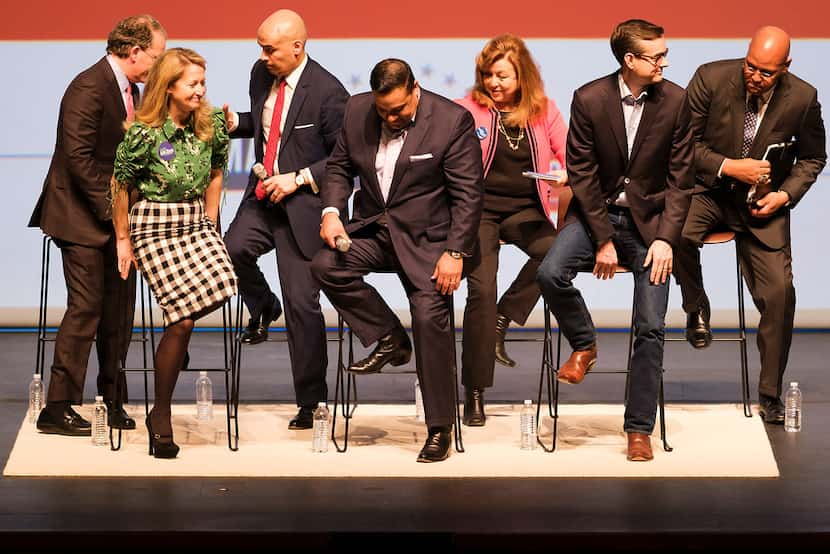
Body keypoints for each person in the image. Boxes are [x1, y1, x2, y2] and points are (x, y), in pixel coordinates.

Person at [536, 19, 694, 461]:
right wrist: (603, 238)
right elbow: (582, 175)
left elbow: (682, 181)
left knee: (650, 325)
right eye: (655, 55)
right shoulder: (589, 98)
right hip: (596, 215)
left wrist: (666, 239)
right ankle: (585, 343)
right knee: (549, 272)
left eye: (664, 53)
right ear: (629, 60)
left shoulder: (678, 101)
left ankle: (638, 428)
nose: (664, 61)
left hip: (652, 226)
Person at [311, 59, 483, 463]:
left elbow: (468, 196)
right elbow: (337, 167)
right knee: (326, 266)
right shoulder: (356, 111)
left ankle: (439, 428)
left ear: (415, 90)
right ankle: (390, 337)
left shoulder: (451, 121)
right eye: (383, 109)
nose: (389, 117)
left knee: (429, 318)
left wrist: (455, 252)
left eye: (398, 110)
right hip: (375, 230)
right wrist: (332, 212)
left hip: (430, 242)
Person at [673, 26, 826, 424]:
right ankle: (696, 306)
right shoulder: (710, 77)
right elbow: (682, 144)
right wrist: (729, 167)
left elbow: (813, 158)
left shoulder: (803, 98)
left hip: (763, 206)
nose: (755, 76)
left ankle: (770, 393)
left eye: (766, 72)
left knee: (780, 294)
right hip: (708, 192)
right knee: (674, 233)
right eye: (751, 66)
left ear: (786, 68)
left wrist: (785, 195)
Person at [28, 15, 166, 436]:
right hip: (80, 217)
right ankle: (58, 405)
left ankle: (112, 399)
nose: (159, 67)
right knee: (86, 308)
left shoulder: (133, 91)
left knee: (120, 313)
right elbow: (80, 162)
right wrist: (117, 217)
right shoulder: (89, 87)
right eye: (157, 57)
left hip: (114, 221)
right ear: (135, 51)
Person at [222, 9, 349, 430]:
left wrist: (296, 180)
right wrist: (235, 123)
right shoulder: (261, 76)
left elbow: (341, 159)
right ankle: (262, 305)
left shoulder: (330, 93)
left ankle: (310, 401)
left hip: (303, 207)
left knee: (302, 304)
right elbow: (267, 128)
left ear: (297, 47)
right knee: (232, 250)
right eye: (259, 47)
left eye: (270, 48)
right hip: (263, 199)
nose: (262, 56)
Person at [112, 48, 237, 458]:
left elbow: (217, 171)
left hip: (195, 219)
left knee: (226, 281)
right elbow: (120, 184)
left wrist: (212, 221)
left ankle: (173, 349)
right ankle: (160, 413)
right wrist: (123, 239)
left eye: (203, 82)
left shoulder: (213, 124)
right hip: (152, 223)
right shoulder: (144, 133)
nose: (201, 90)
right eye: (193, 83)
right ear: (169, 87)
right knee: (181, 321)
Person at [456, 34, 567, 427]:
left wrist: (562, 175)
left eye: (502, 75)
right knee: (480, 292)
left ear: (523, 75)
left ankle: (506, 317)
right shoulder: (466, 110)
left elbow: (571, 158)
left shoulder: (543, 111)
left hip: (525, 209)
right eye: (487, 75)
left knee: (558, 252)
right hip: (479, 212)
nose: (494, 83)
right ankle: (473, 391)